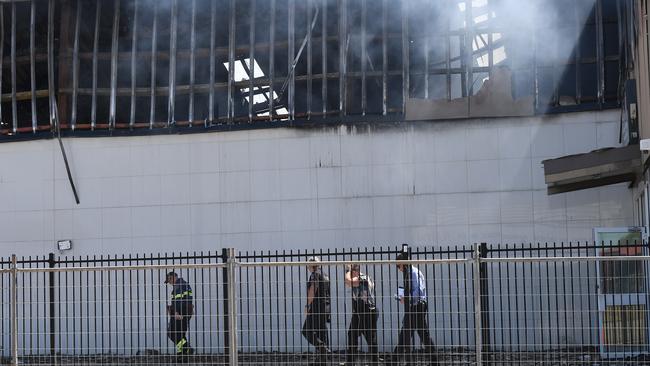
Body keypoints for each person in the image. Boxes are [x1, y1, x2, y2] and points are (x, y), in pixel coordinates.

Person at [393, 253, 436, 364]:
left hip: (416, 307)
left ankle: (394, 361)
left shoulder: (412, 273)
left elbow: (417, 292)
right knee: (418, 335)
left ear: (404, 263)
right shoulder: (411, 272)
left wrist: (406, 299)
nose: (398, 269)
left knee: (410, 335)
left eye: (399, 266)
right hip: (416, 307)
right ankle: (434, 361)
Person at [341, 264, 383, 365]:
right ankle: (351, 362)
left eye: (350, 272)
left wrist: (348, 271)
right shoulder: (361, 278)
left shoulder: (363, 278)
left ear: (354, 271)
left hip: (367, 311)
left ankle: (374, 361)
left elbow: (348, 281)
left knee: (369, 337)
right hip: (359, 312)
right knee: (352, 334)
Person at [301, 256, 331, 364]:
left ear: (312, 265)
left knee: (306, 331)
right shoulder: (325, 275)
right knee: (321, 333)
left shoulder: (315, 274)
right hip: (325, 308)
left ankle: (322, 347)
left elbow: (313, 290)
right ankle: (321, 361)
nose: (308, 267)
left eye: (309, 265)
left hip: (316, 308)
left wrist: (307, 306)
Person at [165, 271, 194, 359]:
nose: (169, 283)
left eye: (169, 280)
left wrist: (177, 312)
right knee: (180, 334)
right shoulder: (183, 285)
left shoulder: (179, 285)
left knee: (172, 333)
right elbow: (186, 299)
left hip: (180, 314)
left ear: (173, 277)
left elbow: (179, 301)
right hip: (184, 312)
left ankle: (186, 349)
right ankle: (182, 353)